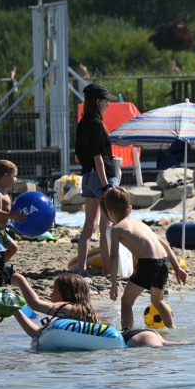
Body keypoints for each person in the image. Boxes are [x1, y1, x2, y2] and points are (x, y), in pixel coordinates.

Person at [101, 187, 188, 331]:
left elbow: (114, 256)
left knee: (126, 301)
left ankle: (127, 332)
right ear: (130, 208)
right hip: (164, 261)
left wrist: (114, 284)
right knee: (157, 300)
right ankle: (172, 329)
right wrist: (177, 268)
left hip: (148, 264)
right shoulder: (141, 224)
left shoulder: (117, 229)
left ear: (109, 212)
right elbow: (165, 244)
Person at [74, 82, 119, 278]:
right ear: (99, 102)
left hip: (85, 177)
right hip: (101, 177)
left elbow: (78, 157)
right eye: (106, 102)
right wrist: (106, 185)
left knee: (88, 227)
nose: (108, 105)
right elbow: (98, 158)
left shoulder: (82, 124)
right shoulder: (98, 125)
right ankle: (108, 270)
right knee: (106, 226)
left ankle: (82, 269)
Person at [10, 271, 105, 338]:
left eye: (54, 291)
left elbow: (35, 304)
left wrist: (20, 280)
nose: (50, 295)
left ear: (67, 294)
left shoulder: (70, 309)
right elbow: (36, 334)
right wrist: (15, 310)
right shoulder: (77, 313)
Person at [0, 159, 23, 271]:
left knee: (10, 248)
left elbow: (8, 211)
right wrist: (13, 216)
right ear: (6, 176)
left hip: (1, 228)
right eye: (14, 176)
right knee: (13, 247)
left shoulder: (5, 193)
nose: (15, 179)